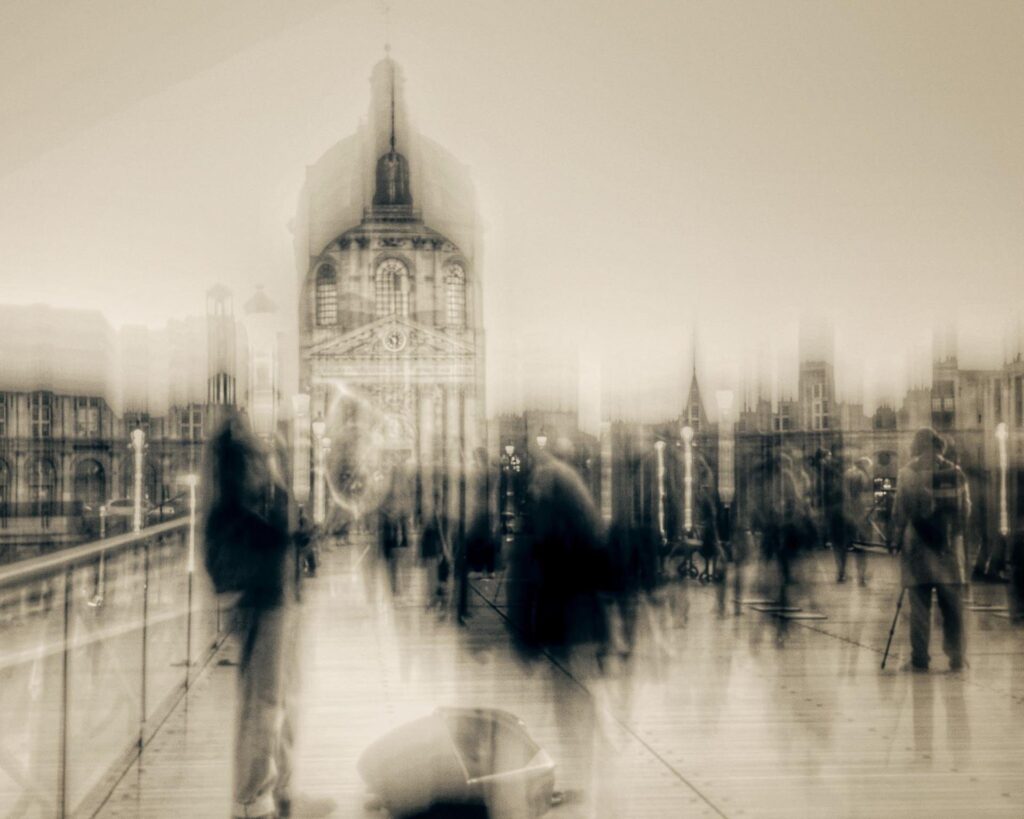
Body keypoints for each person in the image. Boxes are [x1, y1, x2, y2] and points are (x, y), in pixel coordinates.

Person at [202, 411, 334, 819]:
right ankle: (252, 799)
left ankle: (282, 793)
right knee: (265, 702)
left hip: (276, 596)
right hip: (262, 599)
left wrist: (295, 534)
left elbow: (269, 529)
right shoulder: (232, 480)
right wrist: (289, 534)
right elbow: (252, 535)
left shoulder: (244, 482)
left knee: (283, 699)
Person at [891, 427, 970, 672]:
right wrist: (952, 536)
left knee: (919, 608)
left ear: (916, 445)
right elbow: (965, 510)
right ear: (939, 445)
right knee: (952, 607)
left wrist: (896, 540)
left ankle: (920, 658)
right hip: (948, 551)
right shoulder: (956, 472)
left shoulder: (907, 473)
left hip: (918, 550)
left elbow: (899, 512)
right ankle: (956, 657)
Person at [838, 457, 873, 585]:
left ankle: (841, 573)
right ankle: (861, 576)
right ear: (864, 465)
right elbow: (865, 492)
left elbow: (844, 492)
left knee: (845, 544)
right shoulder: (862, 475)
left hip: (846, 511)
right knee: (861, 545)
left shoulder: (847, 473)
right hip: (859, 510)